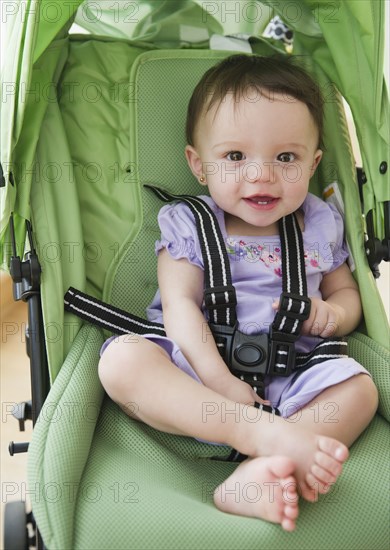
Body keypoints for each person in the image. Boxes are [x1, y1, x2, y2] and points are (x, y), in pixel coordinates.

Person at [98, 54, 378, 531]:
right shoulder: (190, 223)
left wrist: (332, 315)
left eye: (285, 158)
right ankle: (266, 437)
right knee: (121, 360)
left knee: (359, 390)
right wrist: (219, 383)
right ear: (199, 165)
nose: (261, 175)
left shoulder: (319, 223)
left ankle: (252, 480)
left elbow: (346, 294)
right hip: (198, 374)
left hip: (292, 373)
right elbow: (180, 307)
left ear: (312, 164)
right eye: (235, 157)